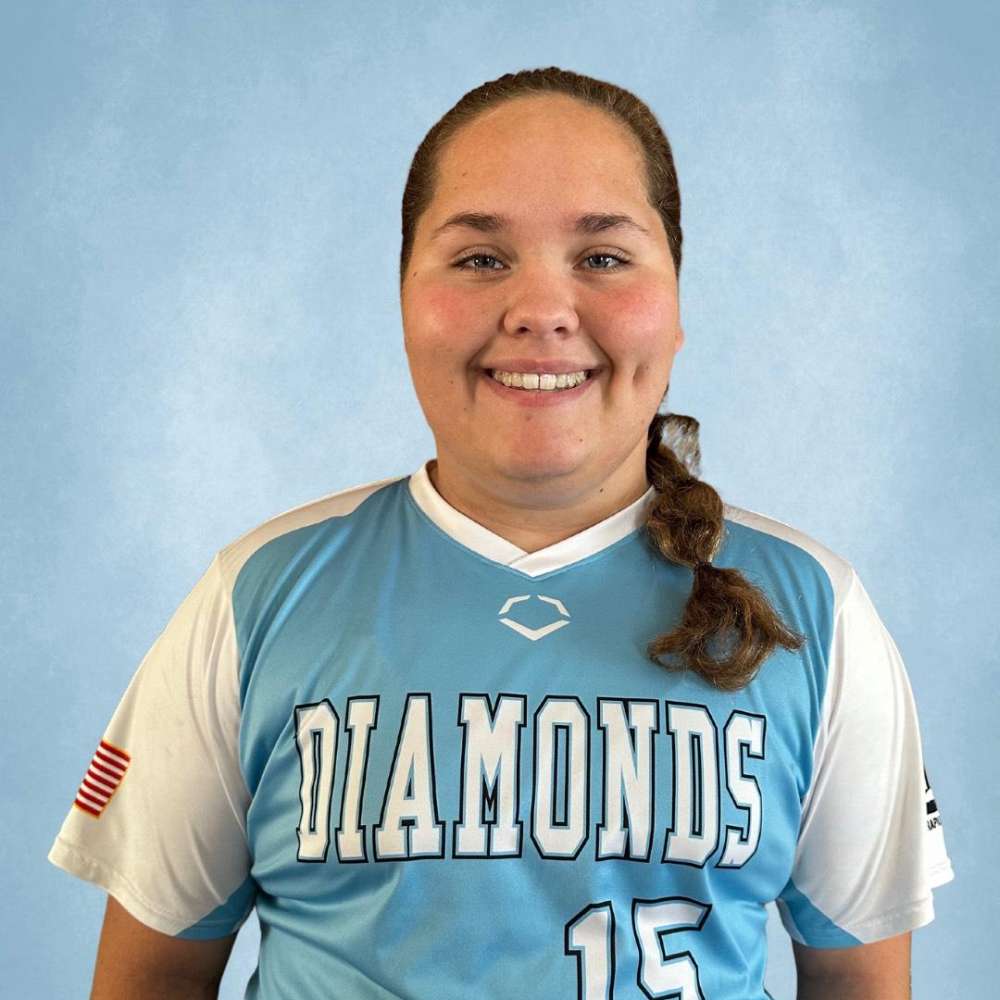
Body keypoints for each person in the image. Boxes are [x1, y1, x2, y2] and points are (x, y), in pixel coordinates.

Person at [48, 66, 954, 1000]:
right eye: (481, 258)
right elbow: (149, 981)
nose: (541, 312)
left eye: (603, 258)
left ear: (677, 304)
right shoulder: (259, 596)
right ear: (405, 299)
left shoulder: (815, 611)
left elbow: (861, 984)